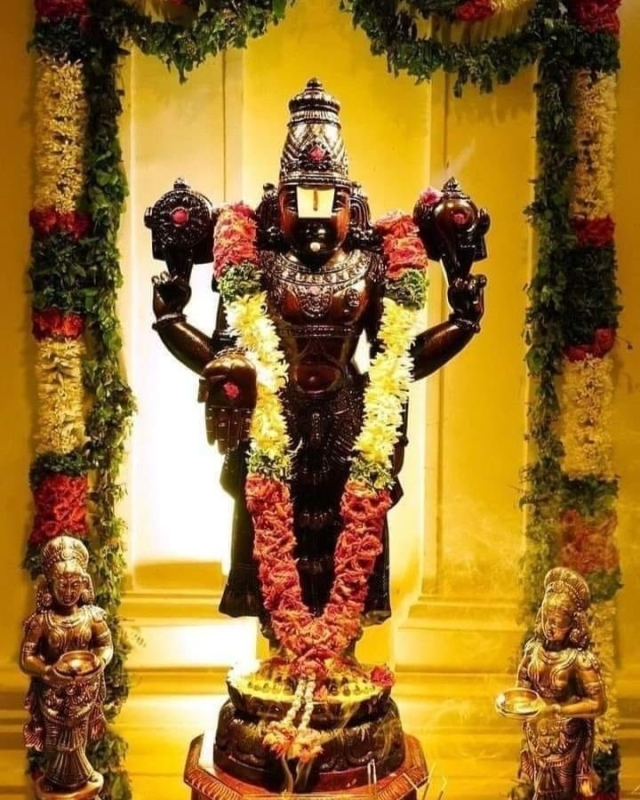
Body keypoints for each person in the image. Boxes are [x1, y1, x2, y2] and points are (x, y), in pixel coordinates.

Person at [147, 78, 489, 641]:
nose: (313, 216)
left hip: (351, 419)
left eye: (328, 201)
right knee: (272, 544)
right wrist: (171, 320)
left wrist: (462, 322)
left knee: (349, 543)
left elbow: (397, 359)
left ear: (350, 202)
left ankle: (340, 654)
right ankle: (281, 654)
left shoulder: (371, 262)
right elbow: (224, 356)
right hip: (273, 421)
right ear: (277, 201)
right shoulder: (254, 261)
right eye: (298, 201)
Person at [20, 536, 113, 796]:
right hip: (53, 693)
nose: (69, 592)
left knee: (79, 737)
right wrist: (46, 671)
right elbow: (26, 657)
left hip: (84, 689)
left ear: (85, 584)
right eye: (62, 585)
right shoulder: (42, 621)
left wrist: (99, 661)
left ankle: (80, 772)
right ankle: (57, 775)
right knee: (56, 739)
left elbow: (105, 645)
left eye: (75, 585)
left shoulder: (91, 617)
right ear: (49, 586)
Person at [513, 567, 607, 800]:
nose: (549, 626)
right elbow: (523, 685)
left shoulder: (579, 660)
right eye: (546, 618)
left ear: (573, 623)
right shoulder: (533, 650)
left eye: (557, 622)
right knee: (536, 790)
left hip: (566, 742)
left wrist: (558, 710)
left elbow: (598, 704)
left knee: (561, 794)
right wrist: (521, 704)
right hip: (536, 738)